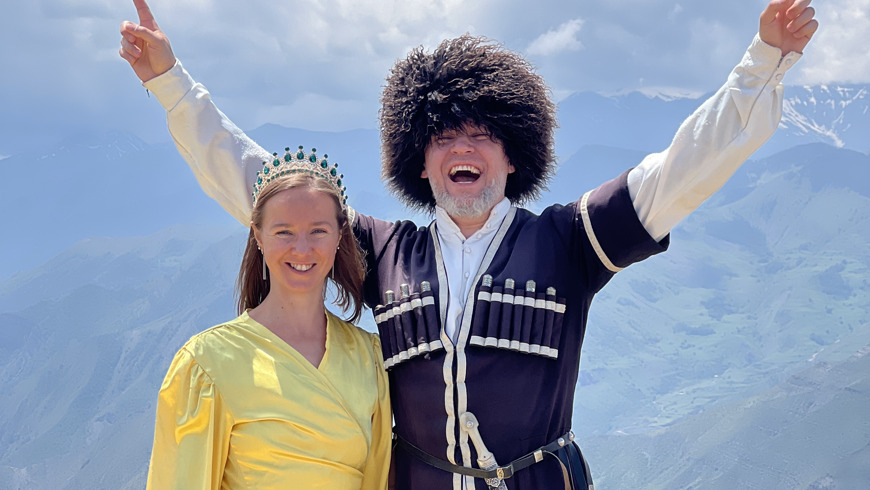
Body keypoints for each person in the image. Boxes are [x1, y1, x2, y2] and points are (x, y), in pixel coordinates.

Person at [121, 0, 818, 488]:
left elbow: (683, 171)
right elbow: (269, 193)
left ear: (513, 157)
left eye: (483, 135)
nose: (463, 149)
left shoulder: (570, 241)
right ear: (419, 164)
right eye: (444, 137)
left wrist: (763, 62)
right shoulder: (382, 252)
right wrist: (171, 85)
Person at [145, 148, 391, 489]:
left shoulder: (369, 359)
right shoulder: (207, 363)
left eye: (318, 231)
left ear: (339, 236)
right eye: (284, 232)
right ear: (258, 237)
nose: (302, 249)